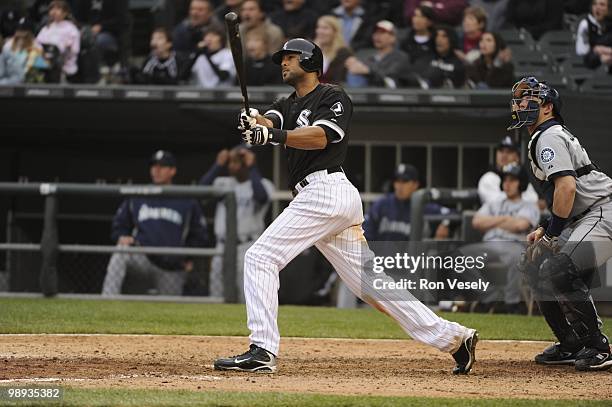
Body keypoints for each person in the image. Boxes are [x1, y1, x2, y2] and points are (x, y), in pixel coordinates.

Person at [213, 38, 478, 374]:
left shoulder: (332, 96)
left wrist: (275, 136)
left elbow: (321, 136)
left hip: (326, 190)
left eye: (290, 58)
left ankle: (263, 349)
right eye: (282, 58)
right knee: (373, 286)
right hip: (324, 199)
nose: (283, 63)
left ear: (310, 62)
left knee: (260, 257)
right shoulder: (288, 102)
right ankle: (455, 339)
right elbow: (271, 121)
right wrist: (254, 123)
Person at [509, 76, 612, 371]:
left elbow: (567, 188)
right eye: (518, 98)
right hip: (587, 215)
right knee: (535, 266)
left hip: (603, 211)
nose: (520, 104)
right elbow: (564, 193)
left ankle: (598, 346)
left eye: (528, 98)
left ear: (547, 107)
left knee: (558, 269)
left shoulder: (548, 136)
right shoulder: (544, 135)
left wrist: (552, 235)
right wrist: (546, 227)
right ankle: (571, 343)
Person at [102, 151, 208, 296]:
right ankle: (107, 299)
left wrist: (186, 256)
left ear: (172, 171)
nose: (156, 170)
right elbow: (119, 224)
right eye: (153, 166)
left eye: (162, 167)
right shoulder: (139, 195)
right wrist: (121, 236)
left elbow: (200, 235)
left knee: (171, 311)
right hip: (143, 258)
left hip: (171, 266)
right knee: (122, 250)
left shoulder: (186, 198)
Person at [200, 146, 274, 302]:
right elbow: (201, 193)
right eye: (231, 162)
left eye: (237, 162)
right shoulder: (223, 182)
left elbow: (261, 197)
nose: (232, 166)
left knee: (246, 296)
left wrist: (252, 166)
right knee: (216, 295)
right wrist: (218, 165)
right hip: (222, 246)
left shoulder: (263, 184)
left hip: (247, 246)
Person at [468, 162, 540, 313]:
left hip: (514, 245)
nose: (507, 184)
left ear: (521, 183)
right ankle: (489, 296)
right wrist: (505, 219)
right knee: (459, 258)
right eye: (505, 180)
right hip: (489, 245)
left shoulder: (529, 205)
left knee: (518, 258)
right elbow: (476, 221)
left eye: (512, 180)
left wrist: (492, 222)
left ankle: (510, 303)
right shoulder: (495, 202)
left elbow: (520, 226)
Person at [364, 163, 451, 241]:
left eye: (405, 181)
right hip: (384, 257)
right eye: (397, 181)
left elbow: (451, 213)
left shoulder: (424, 206)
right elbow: (366, 232)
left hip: (412, 257)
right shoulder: (382, 204)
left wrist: (445, 224)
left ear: (415, 184)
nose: (400, 186)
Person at [344, 20, 409, 87]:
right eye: (375, 33)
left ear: (393, 38)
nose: (377, 36)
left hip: (392, 93)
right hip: (368, 92)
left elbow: (389, 75)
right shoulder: (369, 57)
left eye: (382, 33)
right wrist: (353, 63)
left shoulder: (400, 57)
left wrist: (368, 71)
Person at [478, 136, 539, 205]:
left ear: (517, 157)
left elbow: (534, 201)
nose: (504, 155)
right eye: (501, 151)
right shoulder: (489, 177)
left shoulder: (522, 179)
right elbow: (496, 204)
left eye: (509, 152)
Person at [73, 0, 129, 67]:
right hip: (88, 31)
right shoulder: (84, 2)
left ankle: (93, 71)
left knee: (96, 41)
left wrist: (101, 27)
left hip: (111, 34)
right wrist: (85, 28)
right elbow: (79, 19)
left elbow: (121, 20)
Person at [35, 0, 80, 79]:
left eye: (58, 9)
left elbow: (75, 50)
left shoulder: (72, 29)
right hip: (44, 62)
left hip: (64, 64)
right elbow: (37, 43)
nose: (54, 12)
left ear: (65, 13)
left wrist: (66, 47)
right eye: (52, 9)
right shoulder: (46, 28)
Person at [0, 17, 46, 84]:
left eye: (23, 31)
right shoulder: (8, 44)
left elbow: (36, 69)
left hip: (25, 79)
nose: (19, 33)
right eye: (18, 30)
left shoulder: (37, 47)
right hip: (6, 75)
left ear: (30, 32)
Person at [314, 15, 352, 84]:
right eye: (318, 27)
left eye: (325, 28)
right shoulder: (311, 51)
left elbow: (338, 80)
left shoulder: (343, 53)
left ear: (335, 32)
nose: (320, 31)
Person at [576, 0, 612, 72]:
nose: (597, 7)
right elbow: (582, 53)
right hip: (591, 68)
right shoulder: (585, 24)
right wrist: (600, 58)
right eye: (594, 4)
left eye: (602, 5)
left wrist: (603, 50)